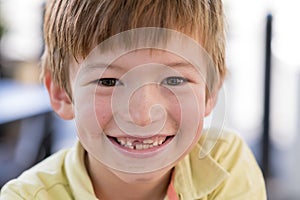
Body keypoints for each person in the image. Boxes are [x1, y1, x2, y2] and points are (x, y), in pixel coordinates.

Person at [0, 0, 266, 199]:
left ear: (211, 91)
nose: (143, 116)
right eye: (108, 82)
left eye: (173, 80)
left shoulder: (226, 162)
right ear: (61, 93)